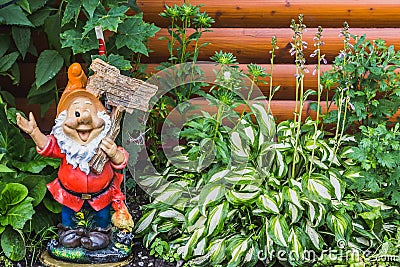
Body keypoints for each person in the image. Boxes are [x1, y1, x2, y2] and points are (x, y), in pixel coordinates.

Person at [16, 63, 131, 250]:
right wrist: (34, 132)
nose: (83, 120)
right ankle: (69, 232)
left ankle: (100, 233)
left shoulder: (104, 143)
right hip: (69, 194)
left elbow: (120, 161)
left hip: (101, 194)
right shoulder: (66, 145)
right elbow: (47, 146)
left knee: (101, 216)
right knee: (68, 216)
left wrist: (114, 153)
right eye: (76, 112)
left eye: (90, 112)